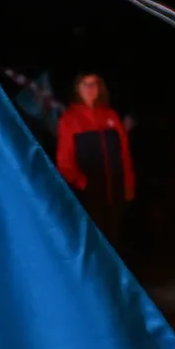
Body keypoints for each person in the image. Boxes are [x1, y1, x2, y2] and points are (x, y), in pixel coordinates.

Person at [56, 72, 135, 244]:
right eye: (85, 84)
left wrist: (128, 184)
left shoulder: (111, 115)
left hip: (115, 193)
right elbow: (64, 161)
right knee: (94, 242)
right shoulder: (70, 119)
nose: (90, 89)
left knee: (115, 240)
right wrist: (82, 183)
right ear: (78, 88)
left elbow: (124, 154)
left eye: (94, 84)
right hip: (89, 196)